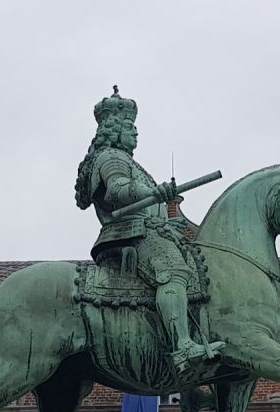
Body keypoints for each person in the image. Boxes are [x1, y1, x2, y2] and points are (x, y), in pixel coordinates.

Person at [74, 87, 221, 372]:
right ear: (115, 129)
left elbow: (147, 208)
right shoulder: (111, 158)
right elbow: (118, 189)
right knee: (175, 274)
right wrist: (154, 191)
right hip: (129, 233)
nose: (136, 133)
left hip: (146, 230)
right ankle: (183, 347)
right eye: (131, 127)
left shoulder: (128, 161)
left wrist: (169, 224)